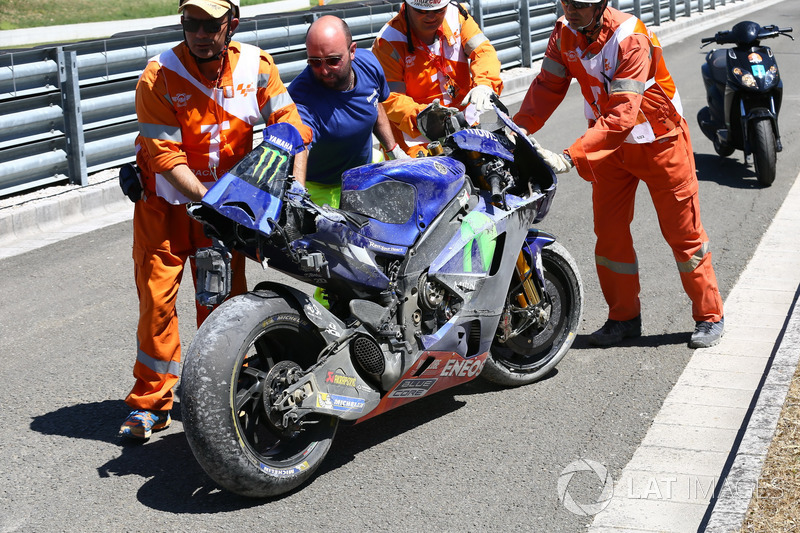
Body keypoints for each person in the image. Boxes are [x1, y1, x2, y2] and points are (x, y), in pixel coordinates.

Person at [119, 0, 312, 440]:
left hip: (221, 213)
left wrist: (295, 190)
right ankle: (152, 402)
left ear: (232, 24)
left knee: (223, 305)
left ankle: (228, 392)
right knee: (156, 305)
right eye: (191, 24)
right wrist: (213, 202)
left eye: (211, 25)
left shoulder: (258, 67)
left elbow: (293, 128)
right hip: (165, 209)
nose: (201, 34)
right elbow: (167, 158)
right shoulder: (158, 77)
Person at [513, 0, 724, 348]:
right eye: (566, 2)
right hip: (611, 149)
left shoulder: (631, 37)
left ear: (600, 5)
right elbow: (548, 86)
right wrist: (517, 130)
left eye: (580, 4)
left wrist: (571, 156)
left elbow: (624, 114)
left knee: (683, 234)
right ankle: (623, 318)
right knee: (609, 236)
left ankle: (709, 316)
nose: (571, 10)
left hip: (661, 143)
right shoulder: (564, 33)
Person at [288, 15, 406, 209]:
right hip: (322, 187)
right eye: (315, 62)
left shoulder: (369, 64)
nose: (324, 71)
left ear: (352, 51)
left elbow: (374, 103)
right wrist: (297, 194)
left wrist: (394, 151)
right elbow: (300, 145)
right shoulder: (302, 97)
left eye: (333, 61)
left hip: (365, 170)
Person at [372, 0, 503, 157]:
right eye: (422, 11)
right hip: (415, 140)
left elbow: (483, 51)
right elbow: (390, 98)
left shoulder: (458, 15)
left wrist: (484, 84)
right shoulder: (388, 41)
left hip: (463, 126)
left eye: (439, 10)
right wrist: (425, 117)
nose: (431, 17)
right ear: (407, 6)